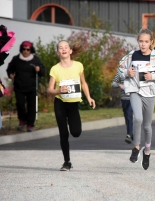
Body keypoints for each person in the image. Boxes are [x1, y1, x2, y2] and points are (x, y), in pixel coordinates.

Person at [118, 28, 155, 170]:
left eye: (146, 42)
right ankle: (136, 147)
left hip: (150, 93)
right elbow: (120, 67)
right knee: (138, 119)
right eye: (141, 41)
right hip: (135, 90)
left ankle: (147, 151)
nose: (143, 44)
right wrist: (127, 72)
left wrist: (153, 77)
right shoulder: (132, 55)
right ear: (138, 41)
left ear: (151, 42)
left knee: (147, 126)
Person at [47, 40, 96, 171]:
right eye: (60, 48)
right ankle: (67, 162)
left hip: (73, 104)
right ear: (58, 52)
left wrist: (89, 97)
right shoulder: (55, 69)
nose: (63, 49)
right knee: (63, 133)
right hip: (60, 103)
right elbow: (49, 89)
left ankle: (68, 158)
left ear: (70, 51)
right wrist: (59, 90)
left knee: (76, 132)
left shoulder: (78, 66)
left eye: (66, 47)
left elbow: (83, 83)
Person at [6, 41, 45, 132]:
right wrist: (11, 74)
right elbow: (9, 69)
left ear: (31, 50)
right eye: (24, 49)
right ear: (21, 49)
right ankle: (22, 121)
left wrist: (39, 70)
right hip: (19, 86)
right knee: (20, 104)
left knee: (31, 106)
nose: (26, 51)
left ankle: (30, 124)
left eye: (28, 49)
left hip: (31, 87)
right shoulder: (16, 59)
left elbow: (43, 72)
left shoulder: (35, 60)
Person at [111, 71, 133, 144]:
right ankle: (131, 133)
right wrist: (119, 85)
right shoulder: (120, 72)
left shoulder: (134, 71)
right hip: (124, 98)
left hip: (133, 97)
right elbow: (113, 83)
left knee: (129, 113)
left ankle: (129, 135)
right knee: (127, 116)